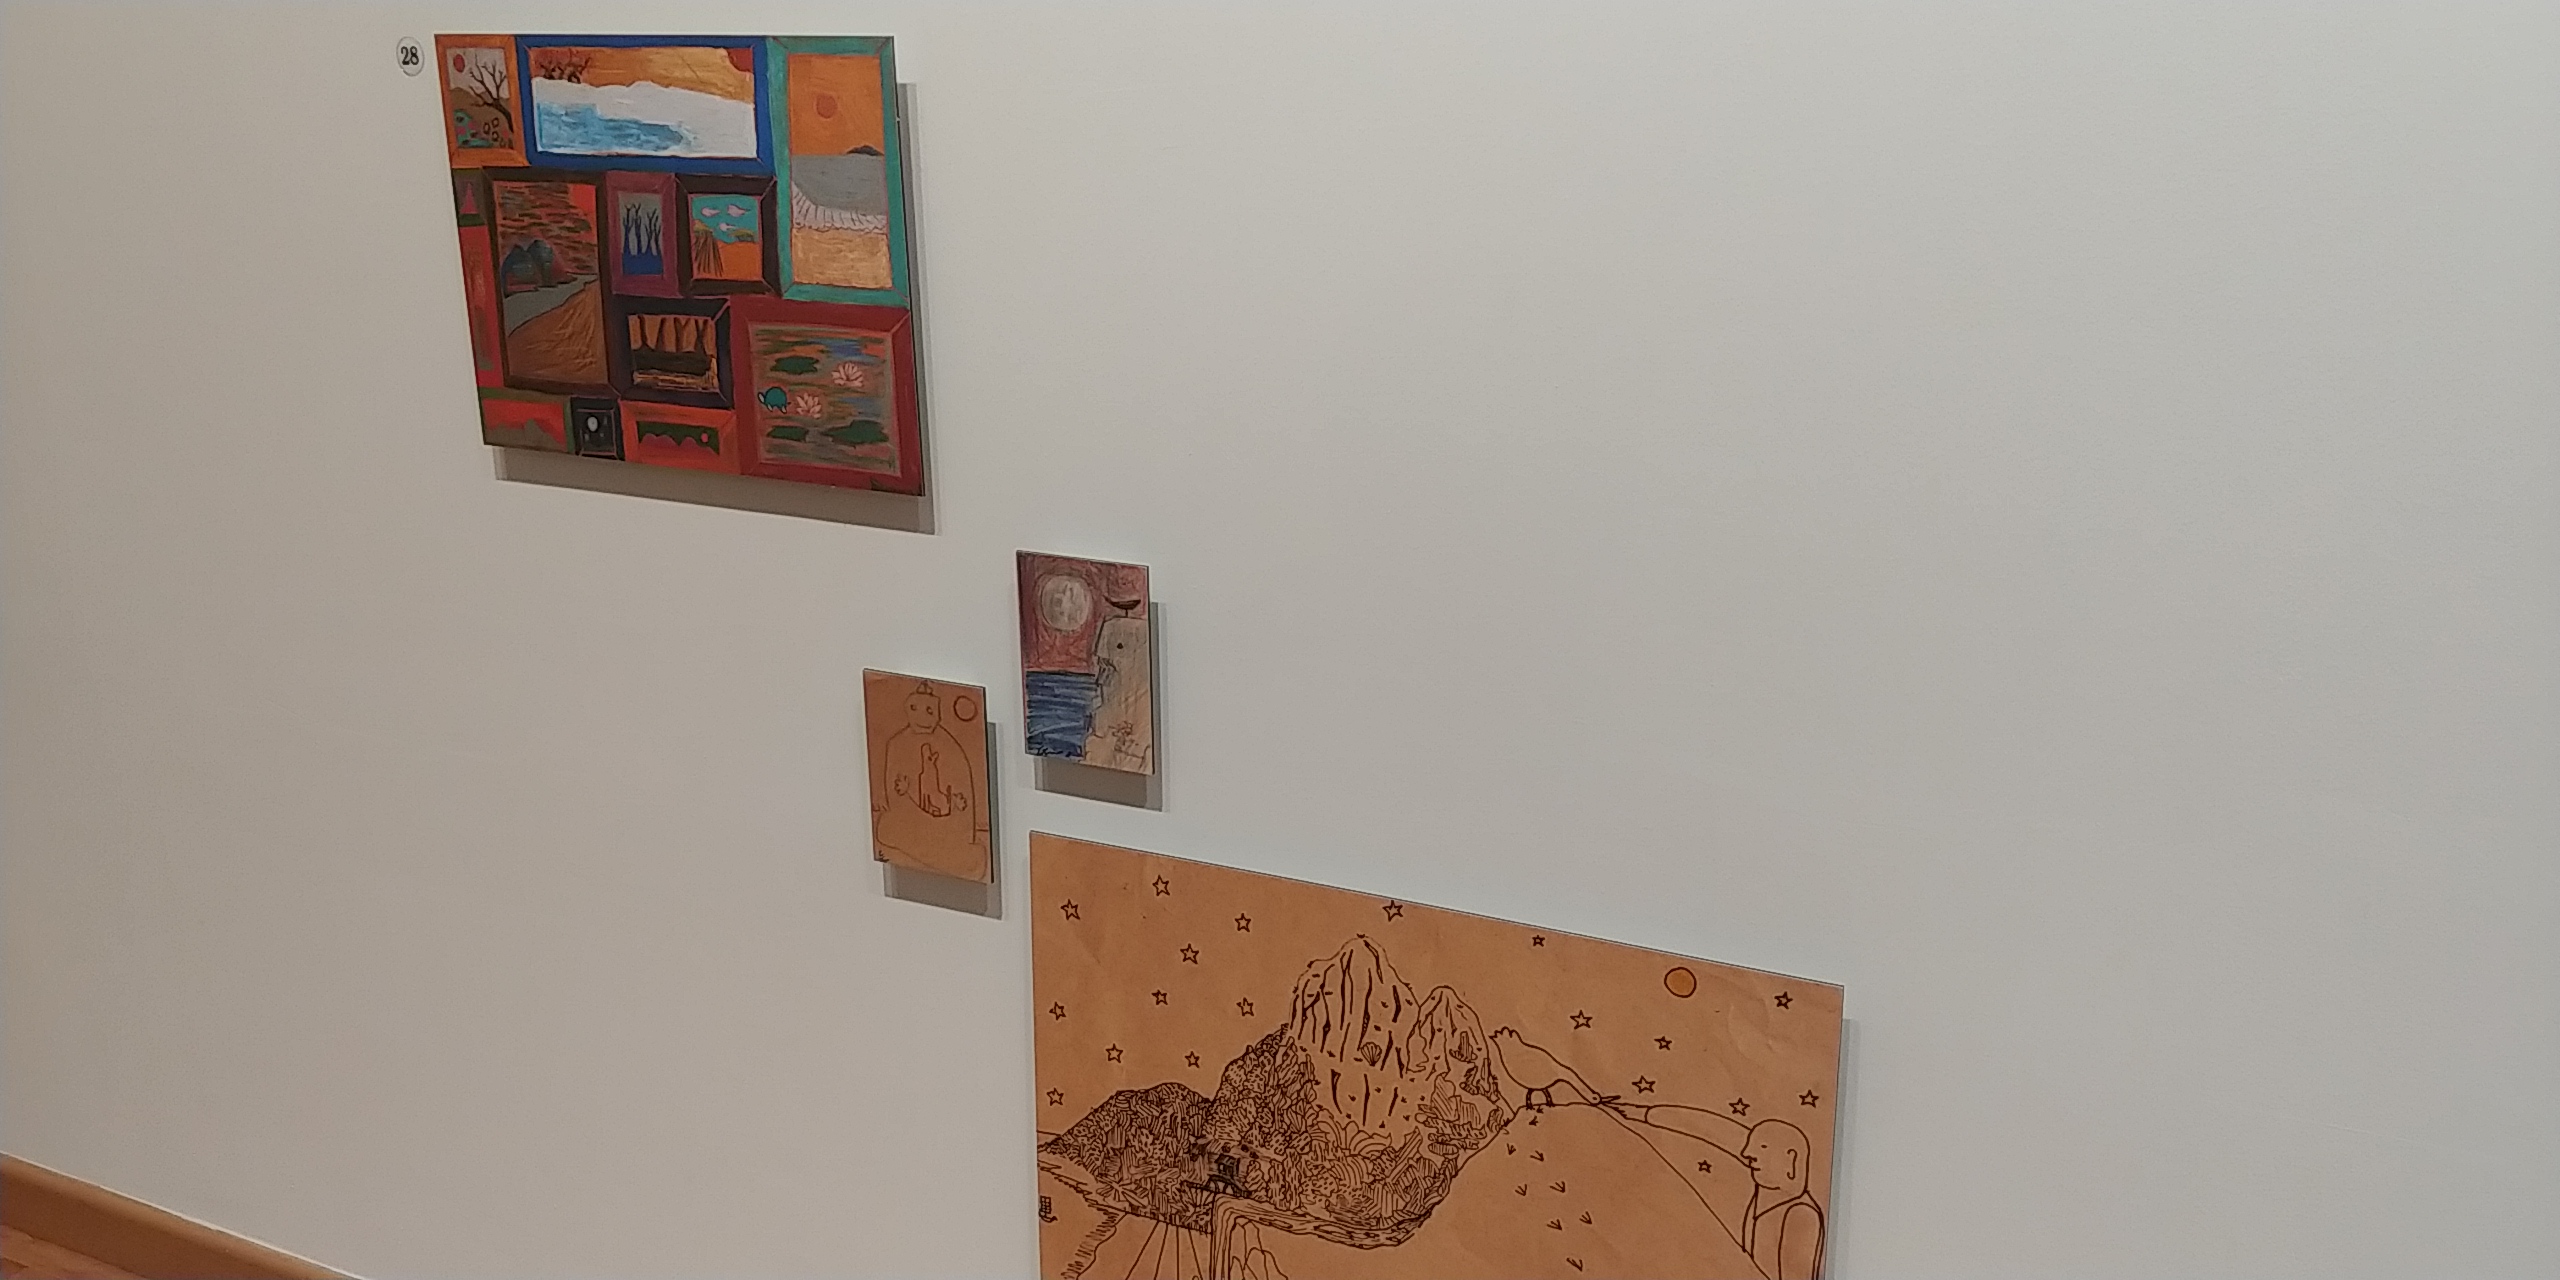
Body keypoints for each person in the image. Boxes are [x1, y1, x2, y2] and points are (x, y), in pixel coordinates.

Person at [1488, 1029, 1825, 1280]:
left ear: (1791, 1161)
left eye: (1762, 1150)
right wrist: (1642, 1113)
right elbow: (1704, 1126)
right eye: (1752, 1148)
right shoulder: (1766, 1190)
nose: (1750, 1155)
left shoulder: (1800, 1215)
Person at [873, 684, 985, 878]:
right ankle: (956, 855)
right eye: (915, 709)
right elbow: (895, 797)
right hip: (912, 822)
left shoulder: (950, 747)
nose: (922, 717)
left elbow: (963, 807)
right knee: (886, 826)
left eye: (929, 711)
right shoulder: (897, 744)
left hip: (945, 827)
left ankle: (959, 855)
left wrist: (954, 809)